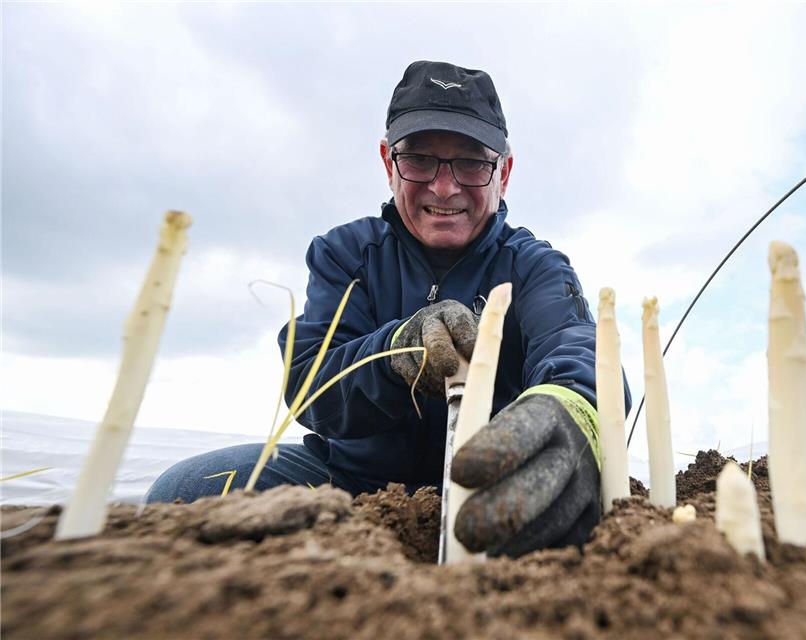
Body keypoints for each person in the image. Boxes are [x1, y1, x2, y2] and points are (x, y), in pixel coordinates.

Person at [146, 61, 631, 557]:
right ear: (388, 161)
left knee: (579, 499)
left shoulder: (534, 267)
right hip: (347, 484)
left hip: (494, 488)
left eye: (471, 163)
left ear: (503, 172)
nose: (444, 188)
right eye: (420, 160)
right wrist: (396, 351)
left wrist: (571, 406)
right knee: (180, 492)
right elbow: (311, 383)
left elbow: (575, 347)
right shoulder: (346, 254)